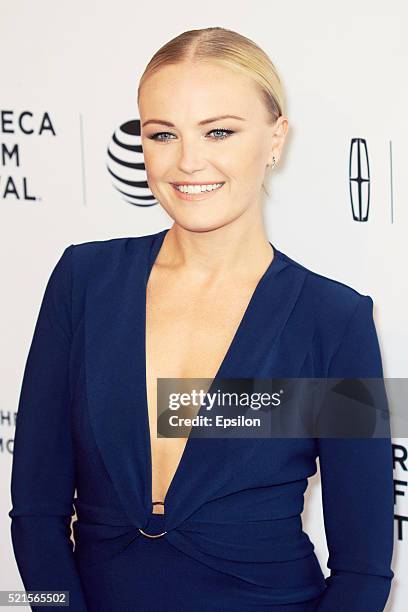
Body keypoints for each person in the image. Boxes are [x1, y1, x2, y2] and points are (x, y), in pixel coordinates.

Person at [9, 27, 394, 612]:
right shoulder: (83, 282)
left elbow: (363, 568)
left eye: (219, 131)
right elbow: (35, 514)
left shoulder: (334, 320)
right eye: (163, 134)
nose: (189, 161)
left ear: (275, 139)